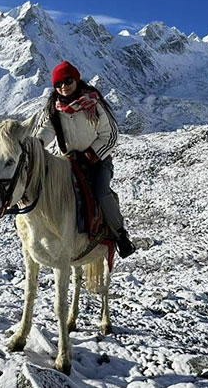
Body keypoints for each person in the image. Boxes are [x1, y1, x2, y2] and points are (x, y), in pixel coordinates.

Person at [35, 61, 136, 258]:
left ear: (77, 79)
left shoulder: (93, 103)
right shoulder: (52, 108)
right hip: (68, 160)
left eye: (68, 81)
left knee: (101, 191)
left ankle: (120, 235)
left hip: (97, 160)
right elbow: (46, 129)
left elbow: (111, 135)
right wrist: (37, 144)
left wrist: (91, 154)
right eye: (58, 84)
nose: (63, 87)